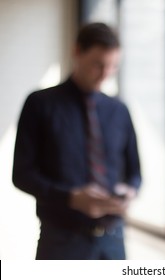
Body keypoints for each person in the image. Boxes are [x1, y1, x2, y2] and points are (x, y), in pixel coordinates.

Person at [12, 22, 141, 260]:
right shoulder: (40, 104)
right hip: (61, 240)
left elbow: (135, 172)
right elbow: (21, 175)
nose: (105, 74)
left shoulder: (119, 110)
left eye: (113, 66)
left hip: (114, 241)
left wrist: (129, 191)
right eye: (98, 65)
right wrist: (71, 197)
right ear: (77, 52)